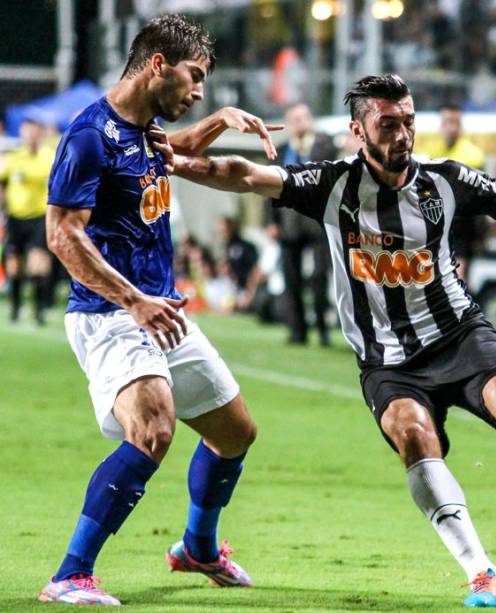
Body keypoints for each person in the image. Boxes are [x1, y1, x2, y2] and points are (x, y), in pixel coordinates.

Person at [164, 74, 496, 608]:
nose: (402, 135)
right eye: (388, 124)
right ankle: (482, 573)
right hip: (387, 361)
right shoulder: (329, 184)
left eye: (409, 122)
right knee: (414, 437)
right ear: (359, 131)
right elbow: (243, 174)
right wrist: (180, 163)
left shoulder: (445, 180)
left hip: (458, 335)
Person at [39, 14, 281, 605]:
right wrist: (133, 300)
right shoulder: (89, 135)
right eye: (194, 78)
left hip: (160, 310)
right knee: (152, 431)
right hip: (109, 312)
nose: (198, 91)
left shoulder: (144, 128)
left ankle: (198, 548)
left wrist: (220, 121)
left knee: (235, 432)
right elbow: (62, 235)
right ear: (157, 65)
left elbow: (172, 151)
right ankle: (70, 574)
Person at [268, 103, 336, 345]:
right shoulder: (280, 150)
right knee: (292, 279)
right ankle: (298, 331)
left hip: (317, 221)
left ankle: (322, 329)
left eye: (303, 118)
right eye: (294, 119)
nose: (300, 123)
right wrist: (272, 221)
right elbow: (270, 188)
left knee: (319, 277)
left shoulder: (325, 146)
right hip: (289, 222)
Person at [417, 103, 486, 280]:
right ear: (440, 124)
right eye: (447, 122)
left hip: (461, 222)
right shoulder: (428, 153)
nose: (451, 127)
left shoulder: (473, 155)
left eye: (455, 122)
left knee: (458, 276)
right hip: (433, 221)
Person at [0, 118, 56, 324]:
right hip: (15, 217)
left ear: (40, 134)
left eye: (34, 132)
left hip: (40, 217)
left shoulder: (49, 158)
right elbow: (3, 184)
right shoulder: (13, 158)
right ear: (22, 134)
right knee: (14, 265)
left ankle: (39, 310)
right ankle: (15, 308)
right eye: (27, 132)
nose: (30, 136)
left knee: (38, 264)